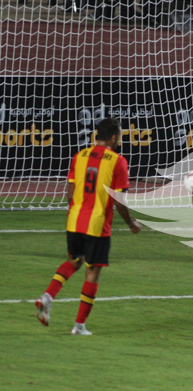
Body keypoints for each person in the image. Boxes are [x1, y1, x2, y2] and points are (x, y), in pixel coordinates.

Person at [34, 118, 143, 336]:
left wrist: (76, 212)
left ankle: (47, 297)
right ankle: (79, 326)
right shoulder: (118, 161)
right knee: (92, 273)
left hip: (74, 220)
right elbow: (120, 201)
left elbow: (70, 193)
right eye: (119, 136)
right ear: (113, 137)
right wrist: (131, 223)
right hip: (97, 225)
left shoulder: (79, 156)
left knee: (74, 260)